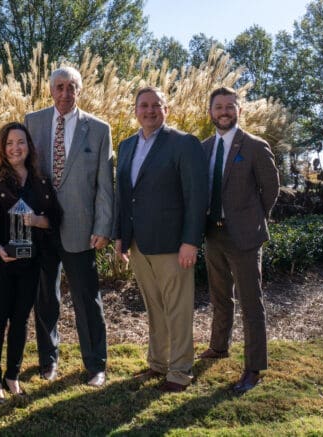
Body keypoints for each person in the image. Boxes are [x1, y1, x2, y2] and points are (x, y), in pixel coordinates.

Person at [114, 86, 208, 392]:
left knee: (177, 310)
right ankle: (158, 363)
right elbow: (124, 196)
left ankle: (179, 372)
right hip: (139, 243)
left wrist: (191, 241)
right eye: (144, 105)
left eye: (157, 105)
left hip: (173, 244)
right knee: (154, 307)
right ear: (135, 110)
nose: (150, 110)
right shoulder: (126, 145)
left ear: (166, 110)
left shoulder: (183, 143)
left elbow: (196, 196)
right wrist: (121, 236)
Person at [24, 66, 114, 387]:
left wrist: (104, 225)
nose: (65, 93)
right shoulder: (32, 122)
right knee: (45, 299)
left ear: (80, 90)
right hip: (42, 229)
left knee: (87, 299)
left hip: (82, 229)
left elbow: (105, 185)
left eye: (71, 87)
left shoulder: (99, 130)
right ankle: (48, 361)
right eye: (60, 87)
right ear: (51, 90)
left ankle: (96, 365)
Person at [0, 122, 62, 403]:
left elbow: (56, 218)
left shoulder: (40, 181)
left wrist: (37, 220)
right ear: (2, 146)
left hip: (30, 263)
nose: (15, 148)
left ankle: (13, 375)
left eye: (20, 142)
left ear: (29, 146)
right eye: (9, 143)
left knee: (21, 321)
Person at [198, 86, 279, 394]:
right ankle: (219, 346)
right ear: (210, 112)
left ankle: (254, 367)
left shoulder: (256, 146)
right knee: (219, 296)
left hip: (244, 236)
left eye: (230, 106)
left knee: (250, 302)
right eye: (218, 107)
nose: (224, 112)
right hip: (213, 233)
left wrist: (253, 219)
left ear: (239, 111)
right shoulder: (203, 148)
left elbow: (270, 190)